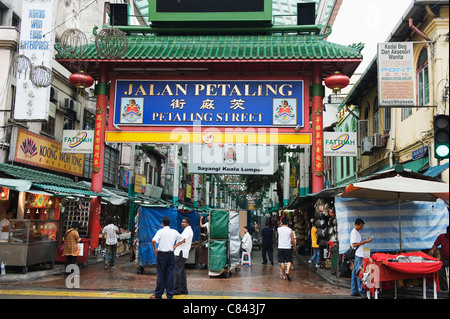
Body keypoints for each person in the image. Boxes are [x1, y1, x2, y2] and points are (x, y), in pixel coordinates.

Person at [151, 216, 184, 299]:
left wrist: (155, 249)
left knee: (161, 274)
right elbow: (183, 239)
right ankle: (170, 294)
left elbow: (153, 241)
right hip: (171, 255)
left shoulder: (160, 231)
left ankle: (159, 294)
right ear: (169, 224)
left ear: (162, 224)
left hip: (162, 255)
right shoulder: (174, 232)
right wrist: (175, 246)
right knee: (170, 275)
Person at [350, 218, 372, 297]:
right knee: (359, 272)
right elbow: (354, 244)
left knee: (355, 273)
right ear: (358, 225)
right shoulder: (354, 232)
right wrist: (365, 241)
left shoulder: (356, 232)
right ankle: (360, 290)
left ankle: (354, 290)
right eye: (361, 226)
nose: (362, 227)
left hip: (359, 254)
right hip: (358, 255)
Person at [174, 217, 193, 295]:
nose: (182, 223)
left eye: (184, 222)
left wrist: (175, 246)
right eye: (182, 222)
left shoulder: (188, 230)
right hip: (182, 253)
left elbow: (183, 239)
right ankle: (183, 290)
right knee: (181, 271)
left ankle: (177, 290)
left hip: (180, 253)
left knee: (177, 271)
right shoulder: (186, 230)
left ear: (188, 224)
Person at [429, 226, 449, 291]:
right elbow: (435, 245)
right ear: (447, 232)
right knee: (439, 271)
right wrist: (432, 250)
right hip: (444, 259)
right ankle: (445, 288)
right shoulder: (442, 236)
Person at [277, 217, 295, 281]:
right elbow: (292, 240)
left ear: (281, 222)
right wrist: (294, 246)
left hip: (280, 247)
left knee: (282, 261)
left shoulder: (278, 229)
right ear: (287, 223)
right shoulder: (290, 230)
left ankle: (284, 275)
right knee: (289, 261)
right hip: (288, 247)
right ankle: (287, 272)